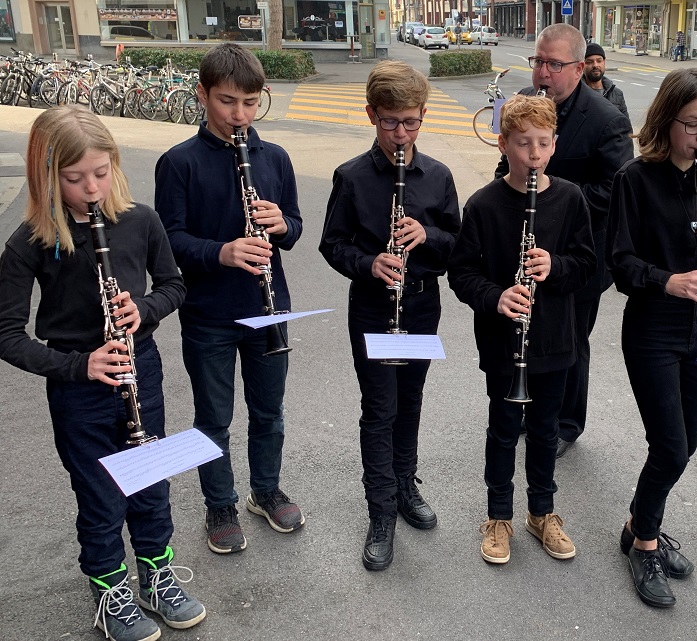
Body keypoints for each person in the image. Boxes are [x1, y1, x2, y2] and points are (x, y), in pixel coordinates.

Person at [0, 106, 206, 641]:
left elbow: (174, 285)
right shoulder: (29, 242)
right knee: (100, 496)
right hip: (78, 388)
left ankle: (156, 575)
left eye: (101, 171)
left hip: (141, 371)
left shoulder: (141, 220)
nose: (92, 188)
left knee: (149, 483)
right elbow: (7, 334)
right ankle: (110, 590)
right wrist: (78, 364)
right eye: (75, 178)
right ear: (47, 177)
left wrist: (144, 309)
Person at [155, 43, 305, 555]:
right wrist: (222, 252)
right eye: (226, 101)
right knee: (213, 419)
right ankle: (219, 503)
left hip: (268, 309)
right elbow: (169, 240)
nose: (239, 115)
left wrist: (282, 224)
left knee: (269, 412)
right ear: (202, 95)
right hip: (210, 315)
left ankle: (266, 490)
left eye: (250, 103)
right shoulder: (179, 162)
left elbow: (295, 228)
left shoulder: (275, 157)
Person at [609, 68, 697, 608]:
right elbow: (621, 263)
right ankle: (644, 544)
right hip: (653, 330)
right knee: (669, 446)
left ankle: (637, 523)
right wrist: (670, 280)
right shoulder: (635, 178)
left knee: (684, 446)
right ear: (667, 120)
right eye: (693, 125)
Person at [319, 60, 461, 571]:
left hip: (421, 304)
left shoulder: (438, 176)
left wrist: (429, 235)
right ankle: (380, 511)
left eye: (411, 122)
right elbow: (332, 244)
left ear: (423, 116)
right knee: (380, 408)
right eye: (390, 122)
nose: (401, 134)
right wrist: (369, 263)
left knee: (411, 401)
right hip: (372, 307)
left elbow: (458, 244)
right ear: (371, 115)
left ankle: (404, 484)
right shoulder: (352, 176)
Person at [449, 94, 596, 566]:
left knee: (546, 430)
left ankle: (542, 512)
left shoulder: (570, 198)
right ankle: (498, 516)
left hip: (554, 339)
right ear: (503, 144)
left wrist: (555, 265)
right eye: (522, 143)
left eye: (543, 143)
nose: (534, 154)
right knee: (503, 430)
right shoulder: (484, 204)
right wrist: (496, 297)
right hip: (502, 342)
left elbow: (587, 266)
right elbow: (461, 273)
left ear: (554, 144)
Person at [495, 23, 632, 459]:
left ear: (578, 68)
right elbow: (505, 168)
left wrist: (553, 197)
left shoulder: (607, 119)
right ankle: (533, 409)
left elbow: (614, 191)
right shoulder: (525, 102)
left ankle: (566, 424)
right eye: (538, 61)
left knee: (571, 340)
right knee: (533, 330)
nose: (542, 72)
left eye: (553, 64)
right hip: (528, 250)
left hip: (579, 254)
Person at [583, 42, 629, 119]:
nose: (595, 65)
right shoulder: (575, 93)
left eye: (599, 61)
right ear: (582, 65)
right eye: (589, 62)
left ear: (604, 62)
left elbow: (625, 124)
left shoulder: (617, 94)